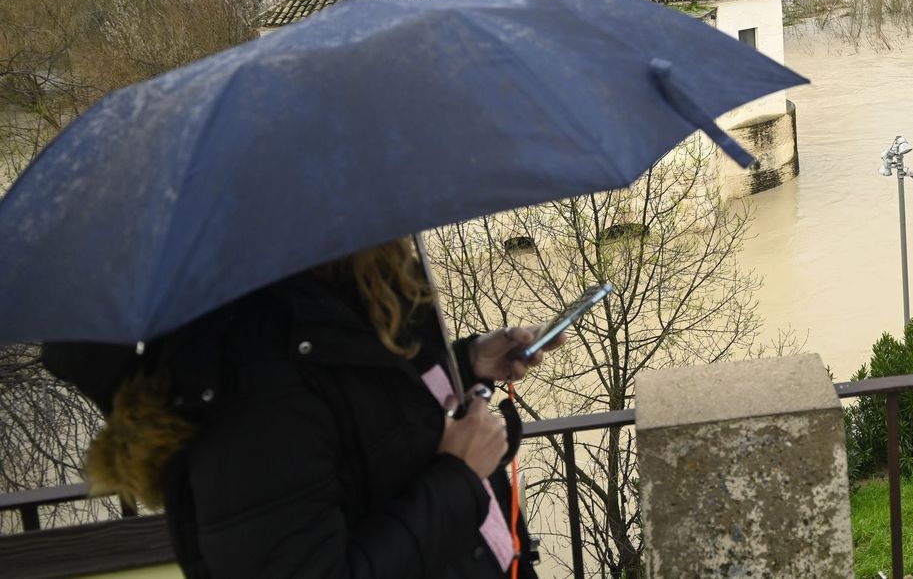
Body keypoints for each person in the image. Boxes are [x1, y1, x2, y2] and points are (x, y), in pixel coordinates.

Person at [45, 239, 558, 579]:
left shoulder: (355, 296)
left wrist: (466, 363)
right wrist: (458, 476)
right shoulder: (253, 375)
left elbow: (371, 424)